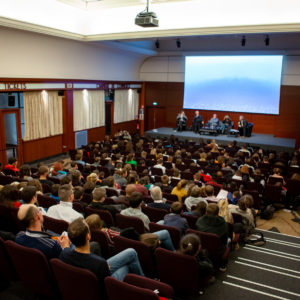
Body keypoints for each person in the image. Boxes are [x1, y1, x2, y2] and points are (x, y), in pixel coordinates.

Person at [59, 218, 144, 299]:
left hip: (84, 286)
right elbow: (106, 287)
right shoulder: (100, 263)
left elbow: (66, 249)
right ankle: (145, 287)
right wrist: (105, 268)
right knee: (127, 266)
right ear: (88, 236)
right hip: (101, 290)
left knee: (130, 252)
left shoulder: (64, 254)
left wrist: (65, 246)